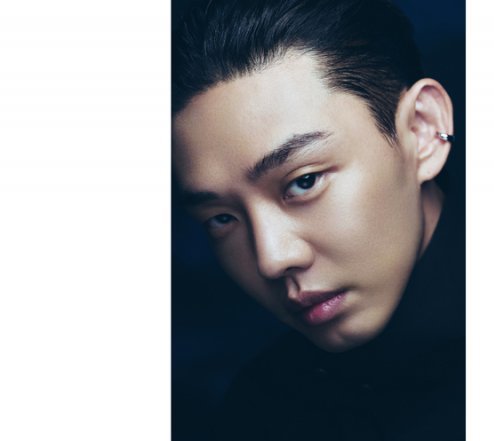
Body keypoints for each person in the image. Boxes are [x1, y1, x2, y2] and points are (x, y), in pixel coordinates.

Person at [172, 0, 464, 439]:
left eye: (304, 182)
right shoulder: (256, 412)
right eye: (221, 219)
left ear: (421, 130)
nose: (272, 259)